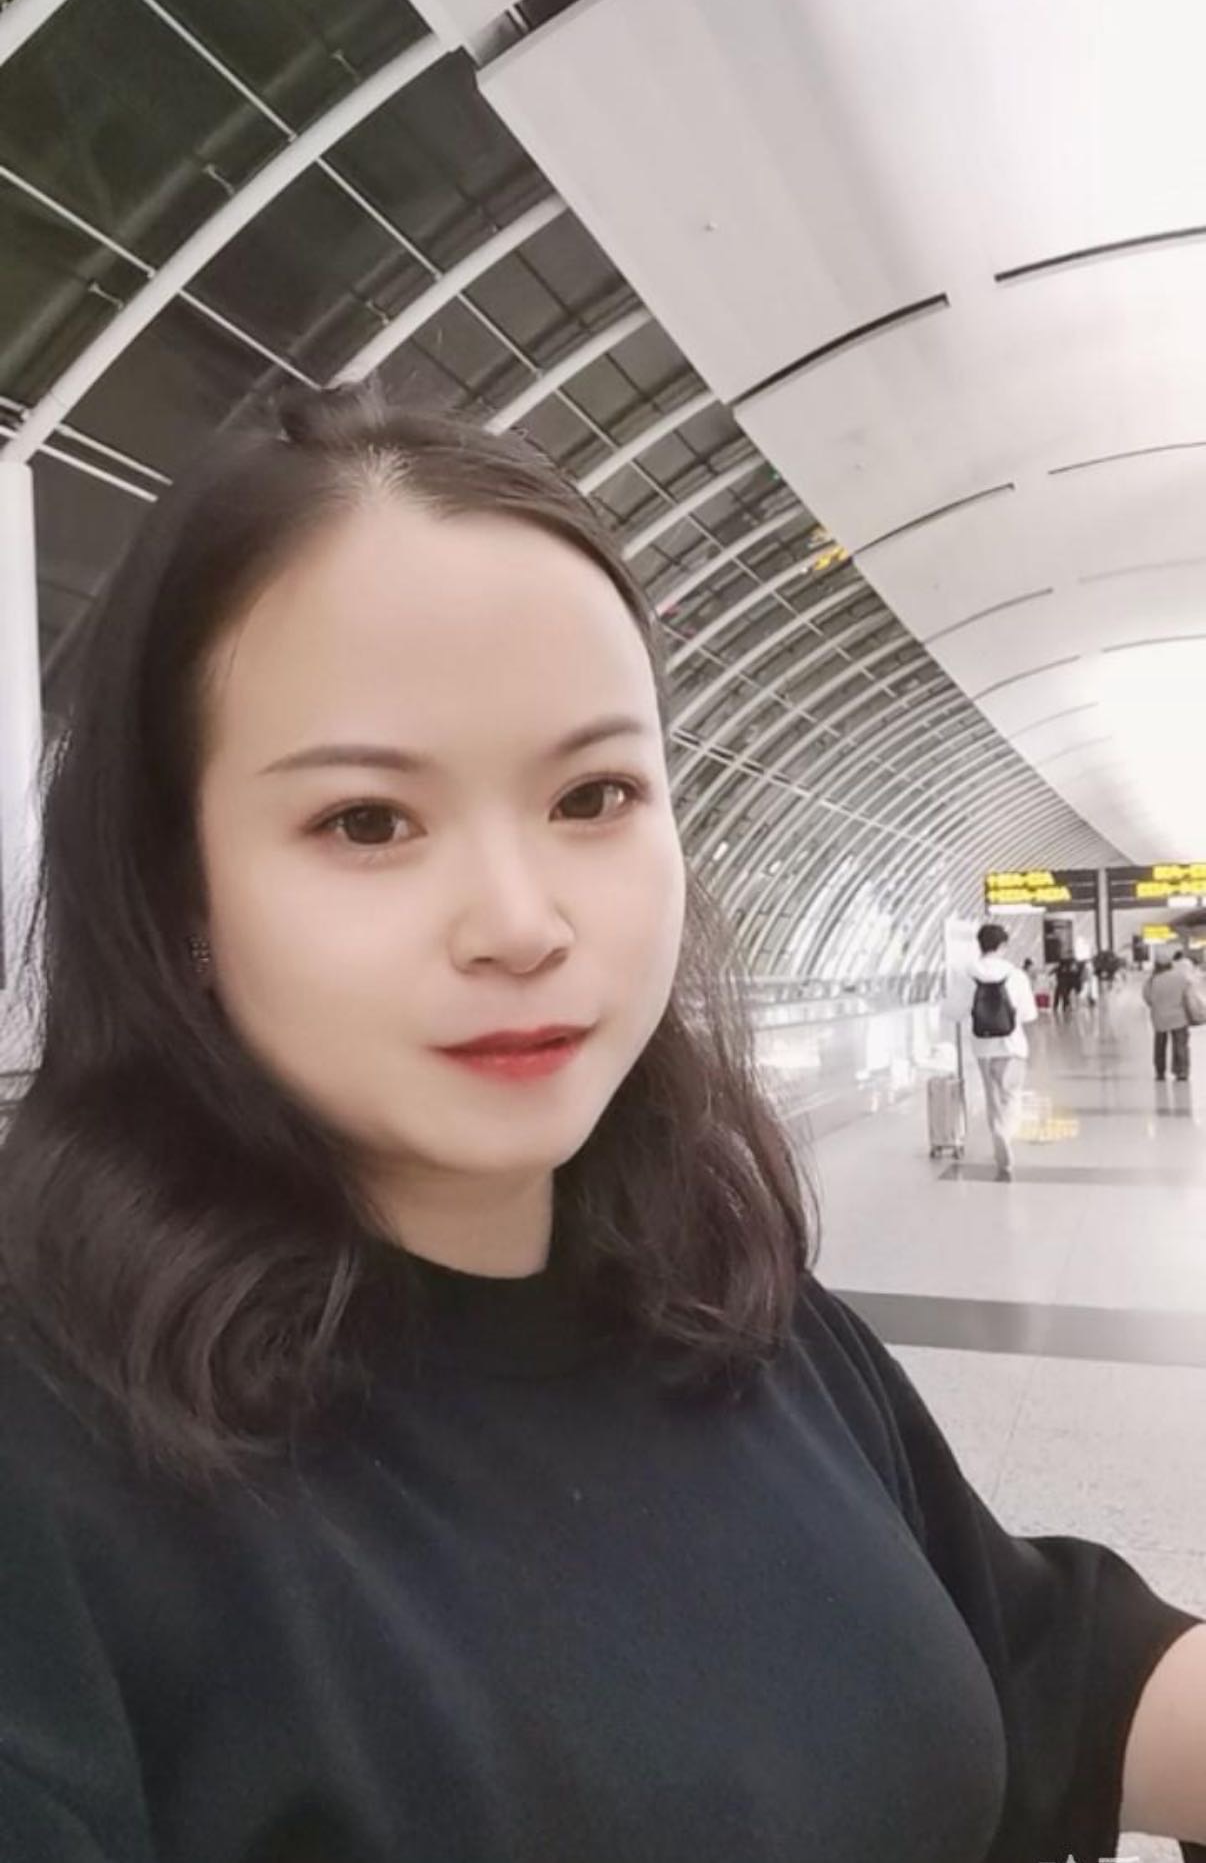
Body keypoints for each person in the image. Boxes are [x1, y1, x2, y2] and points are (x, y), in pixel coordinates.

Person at [1, 384, 1205, 1863]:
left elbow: (1027, 1661)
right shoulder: (53, 1453)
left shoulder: (720, 1303)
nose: (521, 922)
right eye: (367, 821)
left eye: (593, 794)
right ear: (175, 887)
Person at [947, 922, 1039, 1182]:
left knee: (993, 1097)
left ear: (980, 945)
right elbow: (1029, 1014)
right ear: (1003, 946)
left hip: (983, 1047)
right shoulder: (1016, 975)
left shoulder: (967, 974)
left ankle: (998, 1132)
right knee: (1012, 1095)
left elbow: (953, 1011)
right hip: (1012, 1045)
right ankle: (1005, 1134)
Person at [1144, 947, 1197, 1081]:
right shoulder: (1180, 978)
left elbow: (1148, 998)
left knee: (1160, 1046)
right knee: (1180, 1045)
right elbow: (1188, 996)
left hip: (1159, 1017)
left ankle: (1160, 1072)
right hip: (1179, 1017)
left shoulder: (1152, 980)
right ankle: (1182, 1071)